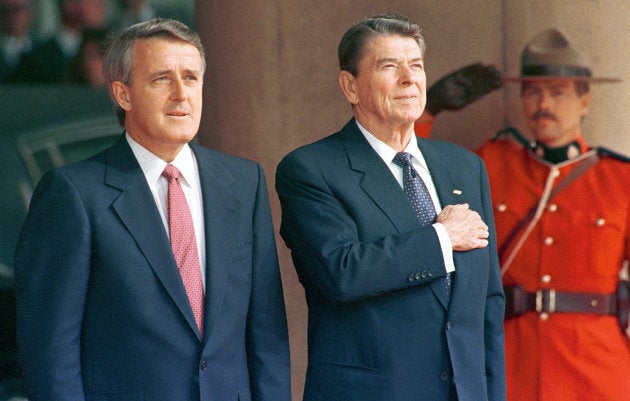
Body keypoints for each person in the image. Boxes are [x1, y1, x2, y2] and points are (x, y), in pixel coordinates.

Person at [14, 18, 290, 401]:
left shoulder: (244, 183)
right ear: (123, 94)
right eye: (162, 78)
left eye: (191, 78)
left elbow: (266, 332)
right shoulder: (74, 193)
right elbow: (50, 348)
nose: (181, 94)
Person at [276, 13, 506, 401]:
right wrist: (441, 239)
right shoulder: (311, 169)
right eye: (389, 66)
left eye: (416, 65)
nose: (409, 78)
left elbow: (487, 304)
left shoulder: (465, 167)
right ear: (350, 86)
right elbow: (340, 273)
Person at [418, 29, 630, 401]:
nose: (542, 103)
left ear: (584, 100)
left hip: (596, 373)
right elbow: (415, 181)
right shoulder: (493, 163)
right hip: (510, 363)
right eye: (532, 92)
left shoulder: (619, 179)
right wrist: (426, 111)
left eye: (557, 92)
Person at [11, 0, 109, 83]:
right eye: (93, 1)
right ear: (69, 5)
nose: (101, 5)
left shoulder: (111, 52)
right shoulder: (35, 58)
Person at [0, 0, 33, 82]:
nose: (12, 15)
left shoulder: (43, 52)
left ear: (30, 13)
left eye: (18, 9)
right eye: (6, 10)